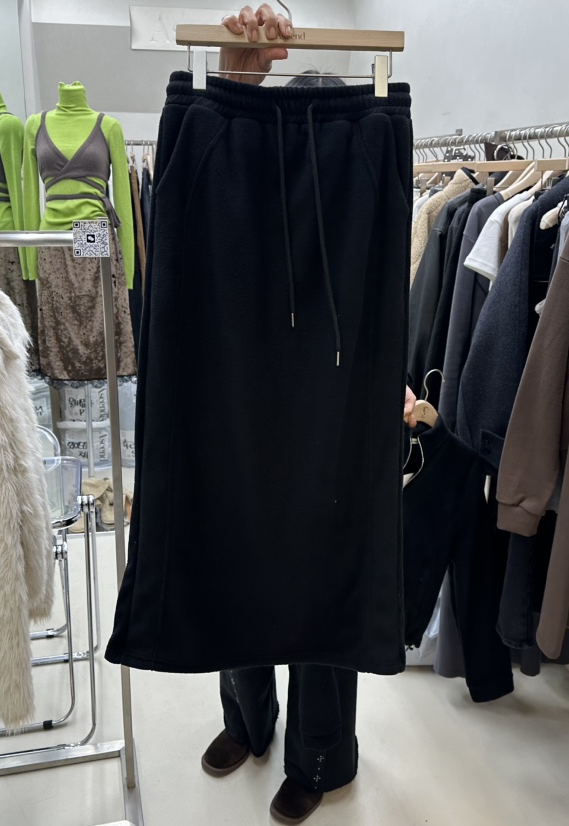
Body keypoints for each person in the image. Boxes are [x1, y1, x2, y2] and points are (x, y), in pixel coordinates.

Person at [198, 7, 418, 824]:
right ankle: (246, 719)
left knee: (327, 553)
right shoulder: (244, 188)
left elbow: (381, 304)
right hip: (252, 369)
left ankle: (321, 753)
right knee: (242, 542)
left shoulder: (362, 185)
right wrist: (236, 78)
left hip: (336, 371)